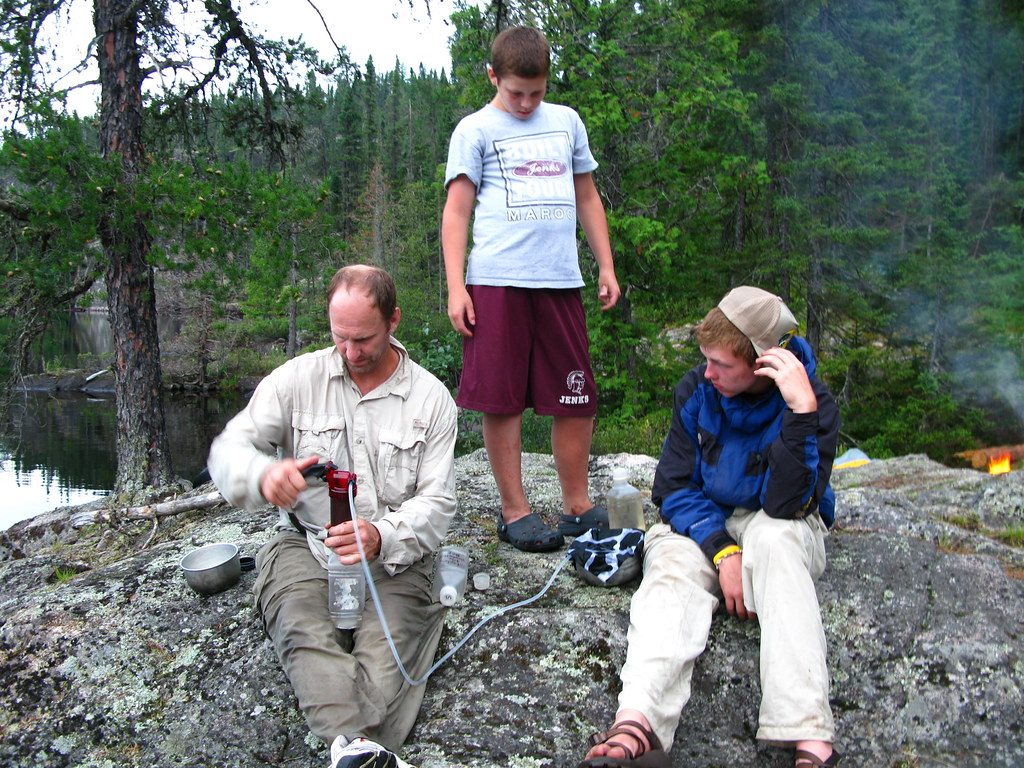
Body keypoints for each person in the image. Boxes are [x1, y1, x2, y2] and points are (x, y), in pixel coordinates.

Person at [579, 286, 841, 768]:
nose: (708, 372)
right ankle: (636, 727)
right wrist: (723, 551)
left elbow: (789, 506)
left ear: (764, 363)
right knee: (672, 566)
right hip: (706, 522)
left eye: (722, 364)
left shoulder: (809, 400)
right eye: (706, 359)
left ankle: (809, 737)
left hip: (780, 520)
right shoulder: (698, 390)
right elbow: (674, 487)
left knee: (776, 540)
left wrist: (802, 414)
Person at [208, 265, 458, 768]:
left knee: (386, 660)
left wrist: (380, 535)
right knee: (302, 628)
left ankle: (346, 745)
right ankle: (363, 746)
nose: (349, 352)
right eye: (339, 337)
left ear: (393, 321)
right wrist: (262, 475)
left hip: (394, 559)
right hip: (306, 545)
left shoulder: (432, 400)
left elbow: (438, 505)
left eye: (362, 338)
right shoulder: (295, 380)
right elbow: (227, 450)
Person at [441, 25, 621, 553]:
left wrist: (605, 266)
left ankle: (578, 504)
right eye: (515, 92)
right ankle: (515, 510)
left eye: (535, 92)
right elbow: (457, 211)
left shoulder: (566, 122)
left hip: (560, 280)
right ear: (493, 77)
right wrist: (457, 287)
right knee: (501, 399)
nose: (525, 103)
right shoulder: (474, 129)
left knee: (576, 396)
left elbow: (587, 197)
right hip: (496, 280)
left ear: (547, 82)